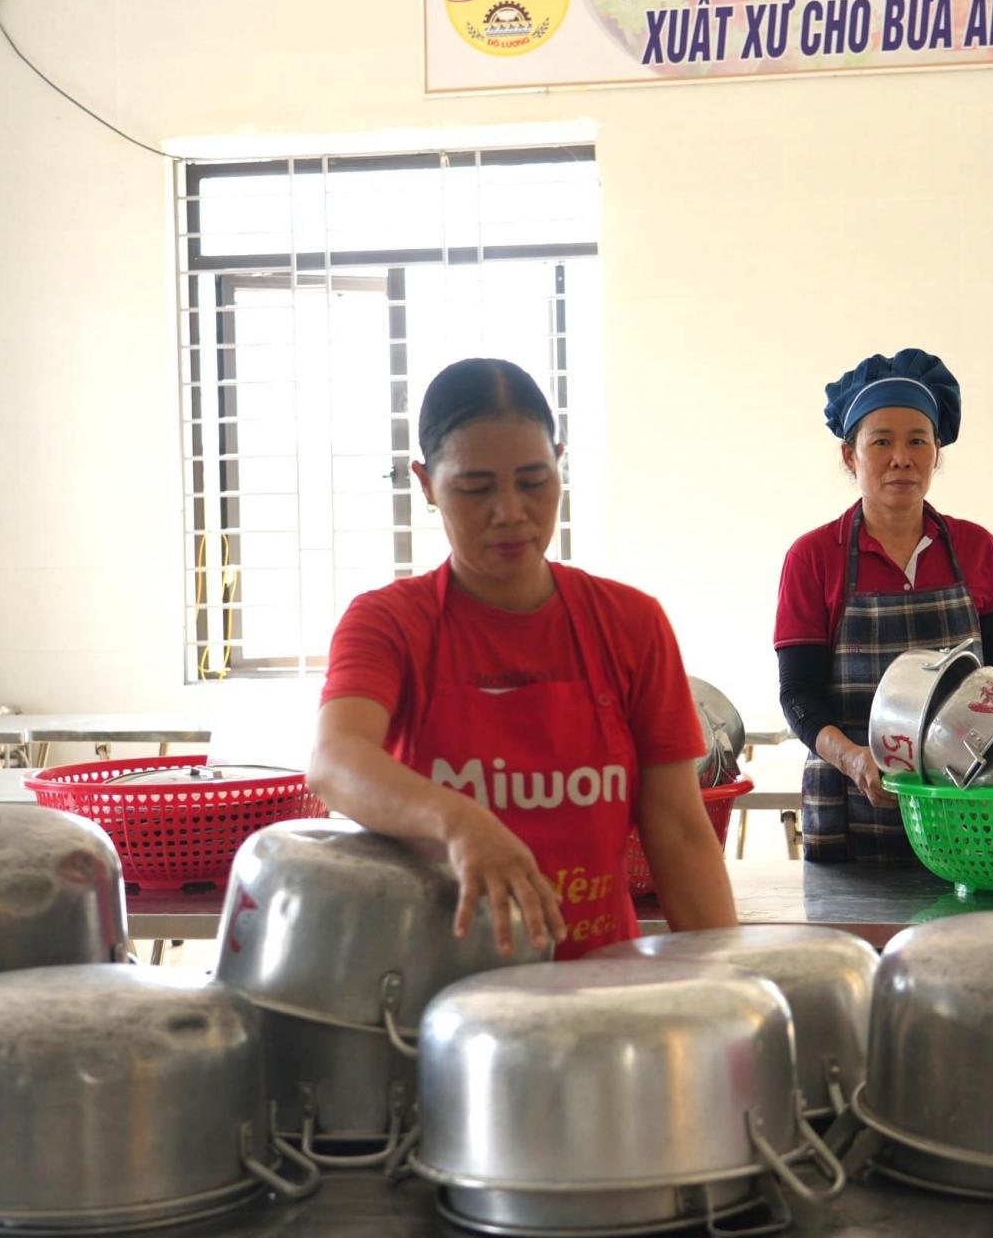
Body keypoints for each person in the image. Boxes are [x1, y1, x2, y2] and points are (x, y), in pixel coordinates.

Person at [309, 358, 738, 957]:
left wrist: (727, 979)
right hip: (435, 993)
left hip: (597, 986)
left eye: (534, 482)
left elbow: (681, 833)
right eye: (475, 488)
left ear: (560, 464)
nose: (510, 511)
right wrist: (460, 821)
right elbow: (336, 762)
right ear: (426, 483)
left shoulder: (630, 623)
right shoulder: (389, 622)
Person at [774, 349, 993, 864]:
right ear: (851, 455)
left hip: (964, 807)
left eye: (917, 440)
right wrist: (852, 759)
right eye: (881, 441)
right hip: (850, 805)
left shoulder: (976, 548)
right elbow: (798, 693)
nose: (901, 458)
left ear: (937, 452)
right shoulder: (813, 557)